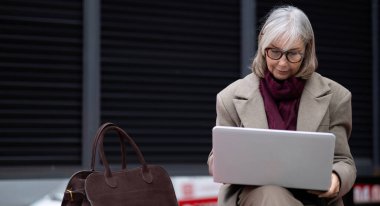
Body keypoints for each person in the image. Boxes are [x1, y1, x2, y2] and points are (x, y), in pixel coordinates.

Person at [207, 5, 356, 206]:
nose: (282, 64)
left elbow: (344, 161)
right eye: (274, 52)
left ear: (307, 49)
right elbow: (217, 160)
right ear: (262, 44)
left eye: (293, 54)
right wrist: (223, 163)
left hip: (315, 199)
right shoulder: (229, 97)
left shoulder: (336, 97)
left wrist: (335, 178)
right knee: (271, 193)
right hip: (253, 197)